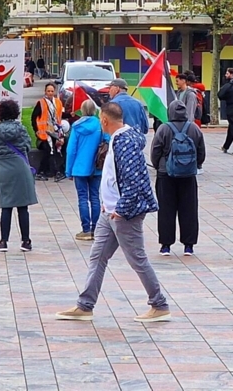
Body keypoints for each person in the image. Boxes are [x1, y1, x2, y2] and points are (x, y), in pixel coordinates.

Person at [56, 102, 170, 323]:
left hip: (122, 213)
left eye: (101, 119)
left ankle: (159, 304)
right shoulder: (118, 139)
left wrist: (122, 208)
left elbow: (134, 178)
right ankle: (85, 305)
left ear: (105, 120)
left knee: (137, 258)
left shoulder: (124, 142)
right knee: (97, 257)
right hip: (109, 212)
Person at [150, 100, 205, 256]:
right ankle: (189, 245)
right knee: (189, 209)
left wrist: (158, 166)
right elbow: (201, 152)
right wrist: (195, 165)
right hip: (188, 175)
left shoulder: (163, 129)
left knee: (166, 209)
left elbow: (155, 151)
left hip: (165, 174)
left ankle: (166, 245)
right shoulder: (194, 128)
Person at [0, 99, 38, 252]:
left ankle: (3, 241)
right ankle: (26, 241)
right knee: (22, 207)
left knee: (6, 206)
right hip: (20, 168)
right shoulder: (21, 129)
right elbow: (27, 145)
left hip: (3, 169)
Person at [64, 99, 107, 241]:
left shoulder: (76, 127)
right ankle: (96, 229)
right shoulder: (100, 125)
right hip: (96, 167)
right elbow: (108, 141)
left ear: (82, 110)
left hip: (79, 168)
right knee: (95, 197)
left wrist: (68, 170)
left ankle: (86, 229)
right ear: (94, 110)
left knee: (82, 198)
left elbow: (71, 150)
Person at [31, 83, 65, 181]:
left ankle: (47, 172)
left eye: (51, 91)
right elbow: (33, 117)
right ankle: (53, 172)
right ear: (45, 92)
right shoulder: (41, 103)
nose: (50, 93)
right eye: (48, 91)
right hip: (44, 133)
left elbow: (59, 115)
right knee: (50, 150)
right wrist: (36, 130)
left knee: (56, 149)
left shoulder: (58, 102)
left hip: (55, 131)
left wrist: (70, 115)